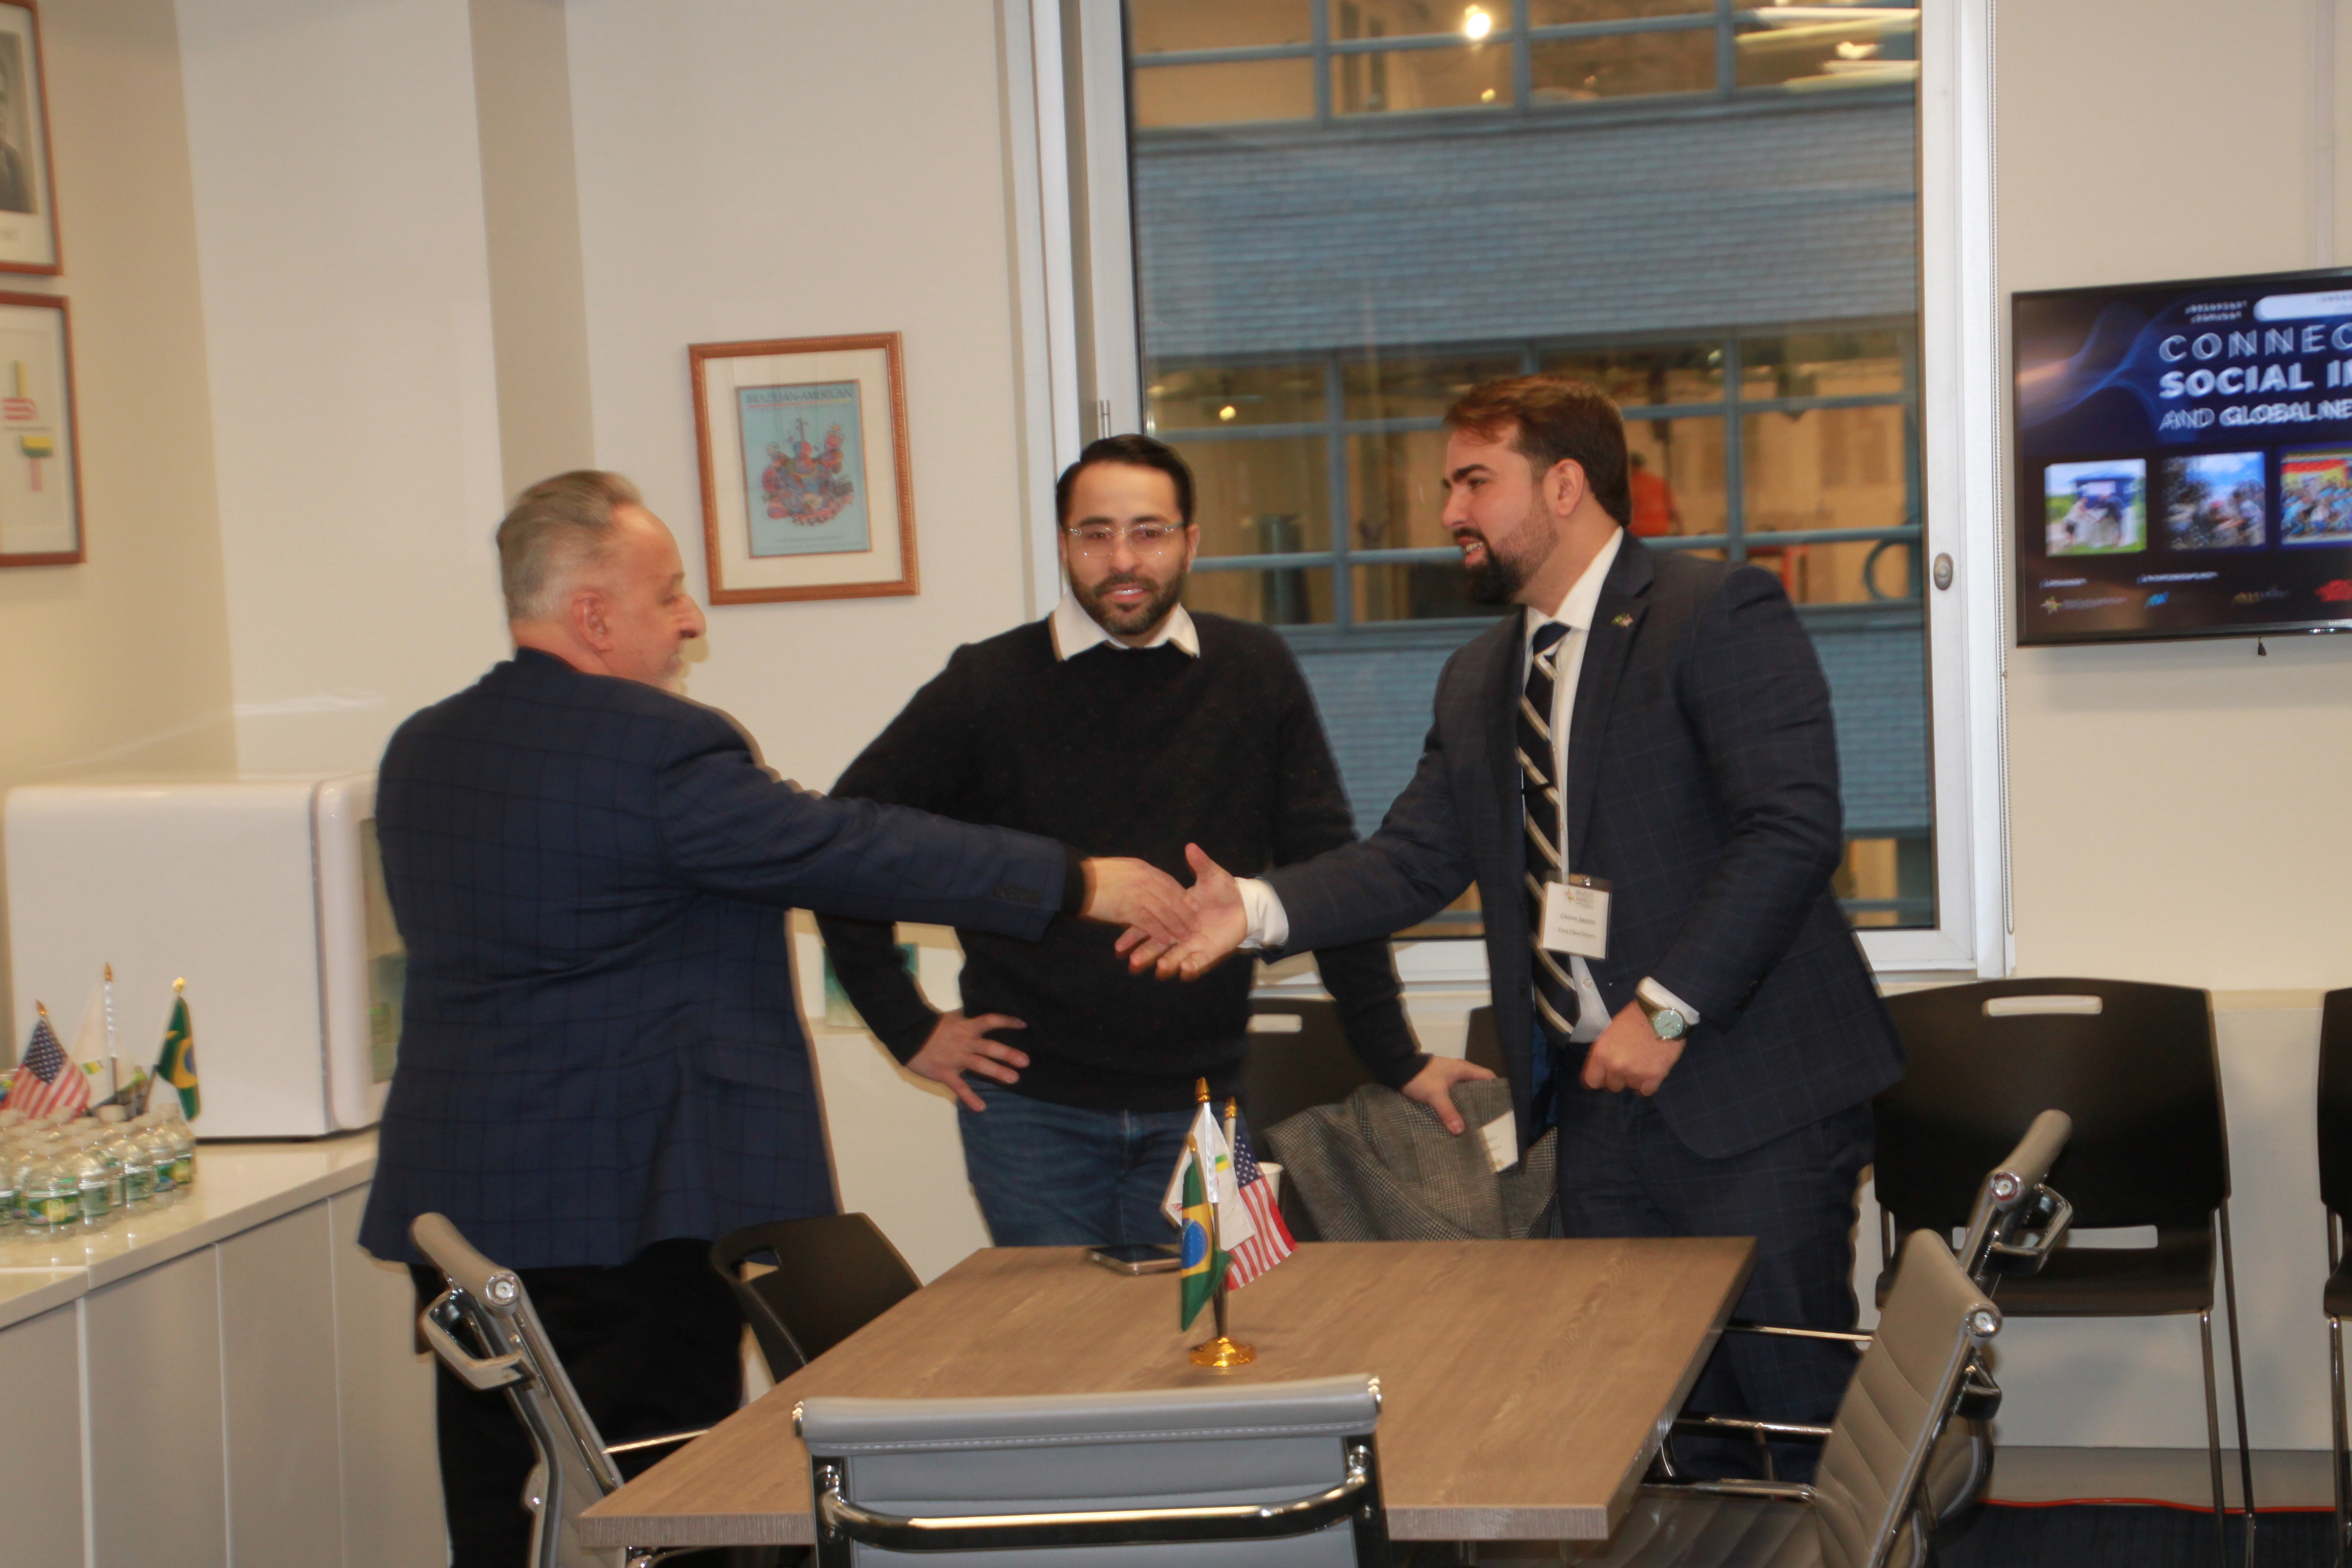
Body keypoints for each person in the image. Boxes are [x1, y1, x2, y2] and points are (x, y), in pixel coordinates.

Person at [358, 470, 1192, 1565]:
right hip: (629, 1214)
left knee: (507, 1508)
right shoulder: (658, 750)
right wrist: (1077, 880)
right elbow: (851, 848)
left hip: (467, 1213)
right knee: (671, 1514)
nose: (691, 619)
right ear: (594, 615)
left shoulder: (424, 750)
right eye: (669, 593)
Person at [1138, 376, 1904, 1478]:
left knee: (1790, 1416)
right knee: (1646, 1425)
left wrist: (1666, 1009)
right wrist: (1256, 907)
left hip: (1752, 1096)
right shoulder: (1480, 676)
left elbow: (1788, 832)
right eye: (1449, 485)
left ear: (1563, 484)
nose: (1449, 511)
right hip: (1593, 1110)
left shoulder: (1715, 611)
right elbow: (1413, 860)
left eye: (1473, 482)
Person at [817, 434, 1487, 1247]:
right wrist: (907, 1026)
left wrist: (1398, 1057)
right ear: (1064, 543)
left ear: (1190, 543)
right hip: (1030, 1117)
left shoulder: (1254, 669)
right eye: (1095, 534)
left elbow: (1329, 871)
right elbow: (843, 843)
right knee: (1055, 1330)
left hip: (1206, 1104)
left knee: (1211, 1322)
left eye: (1149, 531)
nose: (1123, 559)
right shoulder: (987, 684)